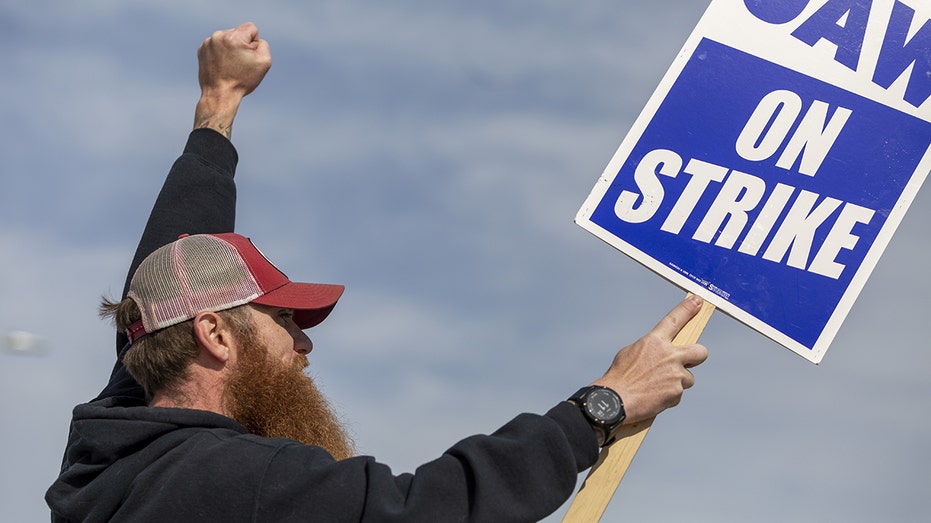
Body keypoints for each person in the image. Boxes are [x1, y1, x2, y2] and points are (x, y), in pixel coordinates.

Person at [46, 23, 709, 523]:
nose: (303, 342)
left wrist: (217, 105)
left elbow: (165, 274)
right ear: (216, 336)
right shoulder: (240, 481)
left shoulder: (108, 452)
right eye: (283, 320)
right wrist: (603, 403)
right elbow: (425, 507)